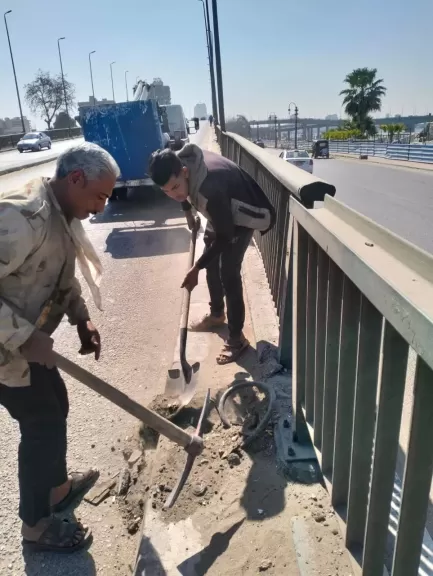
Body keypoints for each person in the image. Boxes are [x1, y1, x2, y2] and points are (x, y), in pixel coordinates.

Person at [0, 142, 119, 553]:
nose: (102, 208)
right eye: (99, 196)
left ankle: (58, 491)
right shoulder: (23, 217)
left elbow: (60, 278)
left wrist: (81, 319)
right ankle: (35, 527)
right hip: (7, 350)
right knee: (41, 427)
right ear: (75, 179)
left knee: (56, 405)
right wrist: (23, 337)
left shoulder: (62, 214)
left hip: (31, 344)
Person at [149, 144, 275, 364]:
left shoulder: (210, 189)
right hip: (223, 208)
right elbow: (181, 194)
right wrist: (188, 211)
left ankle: (237, 339)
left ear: (185, 172)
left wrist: (196, 267)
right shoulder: (177, 162)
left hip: (246, 210)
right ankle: (217, 314)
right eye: (166, 191)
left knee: (228, 271)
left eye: (176, 187)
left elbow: (225, 236)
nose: (174, 194)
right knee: (211, 256)